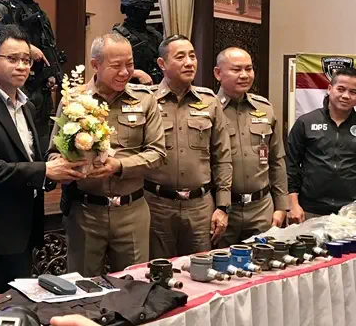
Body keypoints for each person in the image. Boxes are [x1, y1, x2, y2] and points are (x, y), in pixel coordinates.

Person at [0, 24, 85, 299]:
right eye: (12, 59)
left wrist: (58, 168)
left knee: (19, 310)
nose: (22, 67)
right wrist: (46, 170)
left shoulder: (28, 106)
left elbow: (31, 158)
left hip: (23, 232)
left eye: (26, 60)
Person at [48, 33, 166, 276]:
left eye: (130, 64)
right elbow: (53, 152)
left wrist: (119, 166)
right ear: (95, 64)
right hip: (86, 213)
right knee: (83, 286)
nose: (125, 72)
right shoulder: (74, 100)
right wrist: (62, 166)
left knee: (133, 285)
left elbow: (158, 153)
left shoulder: (145, 100)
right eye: (116, 66)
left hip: (131, 212)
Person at [145, 35, 232, 258]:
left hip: (200, 207)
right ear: (162, 63)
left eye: (192, 56)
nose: (189, 62)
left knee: (200, 268)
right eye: (180, 57)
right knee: (157, 270)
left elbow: (222, 157)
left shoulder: (209, 101)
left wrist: (222, 206)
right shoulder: (146, 100)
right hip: (157, 205)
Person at [0, 0, 65, 153]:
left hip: (39, 88)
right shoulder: (1, 9)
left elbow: (48, 46)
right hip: (9, 87)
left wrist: (52, 74)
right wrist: (27, 49)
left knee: (41, 143)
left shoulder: (40, 14)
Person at [213, 48, 289, 246]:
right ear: (218, 73)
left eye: (249, 69)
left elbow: (276, 160)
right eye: (236, 69)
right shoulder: (209, 109)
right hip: (222, 209)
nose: (244, 75)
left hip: (261, 208)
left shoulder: (264, 108)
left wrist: (282, 205)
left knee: (265, 261)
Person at [287, 67, 356, 223]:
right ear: (330, 89)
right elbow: (291, 165)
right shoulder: (306, 122)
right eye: (341, 89)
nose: (346, 96)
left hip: (351, 213)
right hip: (310, 210)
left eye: (353, 92)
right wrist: (293, 204)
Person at [112, 0, 163, 85]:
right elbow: (110, 69)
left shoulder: (155, 35)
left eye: (147, 9)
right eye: (139, 9)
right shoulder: (117, 37)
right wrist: (137, 73)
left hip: (155, 85)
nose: (144, 12)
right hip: (128, 86)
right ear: (126, 9)